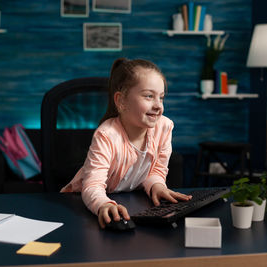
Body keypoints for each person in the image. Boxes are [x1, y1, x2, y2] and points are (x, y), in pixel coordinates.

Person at [61, 58, 191, 228]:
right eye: (149, 96)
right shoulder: (106, 135)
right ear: (121, 101)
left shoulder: (164, 127)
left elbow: (155, 170)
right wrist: (103, 205)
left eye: (161, 98)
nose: (158, 105)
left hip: (128, 199)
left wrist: (157, 186)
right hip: (85, 202)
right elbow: (92, 186)